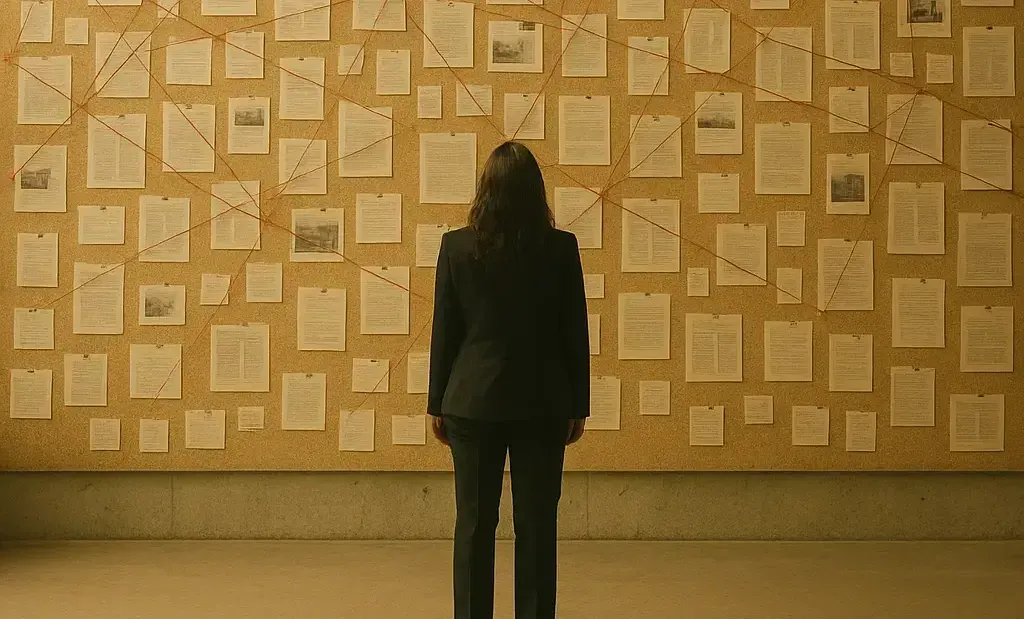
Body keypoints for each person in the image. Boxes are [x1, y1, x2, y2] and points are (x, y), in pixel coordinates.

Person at [426, 141, 591, 619]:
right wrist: (578, 404)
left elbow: (446, 330)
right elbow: (572, 331)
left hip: (472, 402)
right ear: (536, 191)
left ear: (486, 189)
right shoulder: (559, 248)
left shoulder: (457, 246)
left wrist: (437, 401)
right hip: (542, 403)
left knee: (474, 524)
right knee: (538, 526)